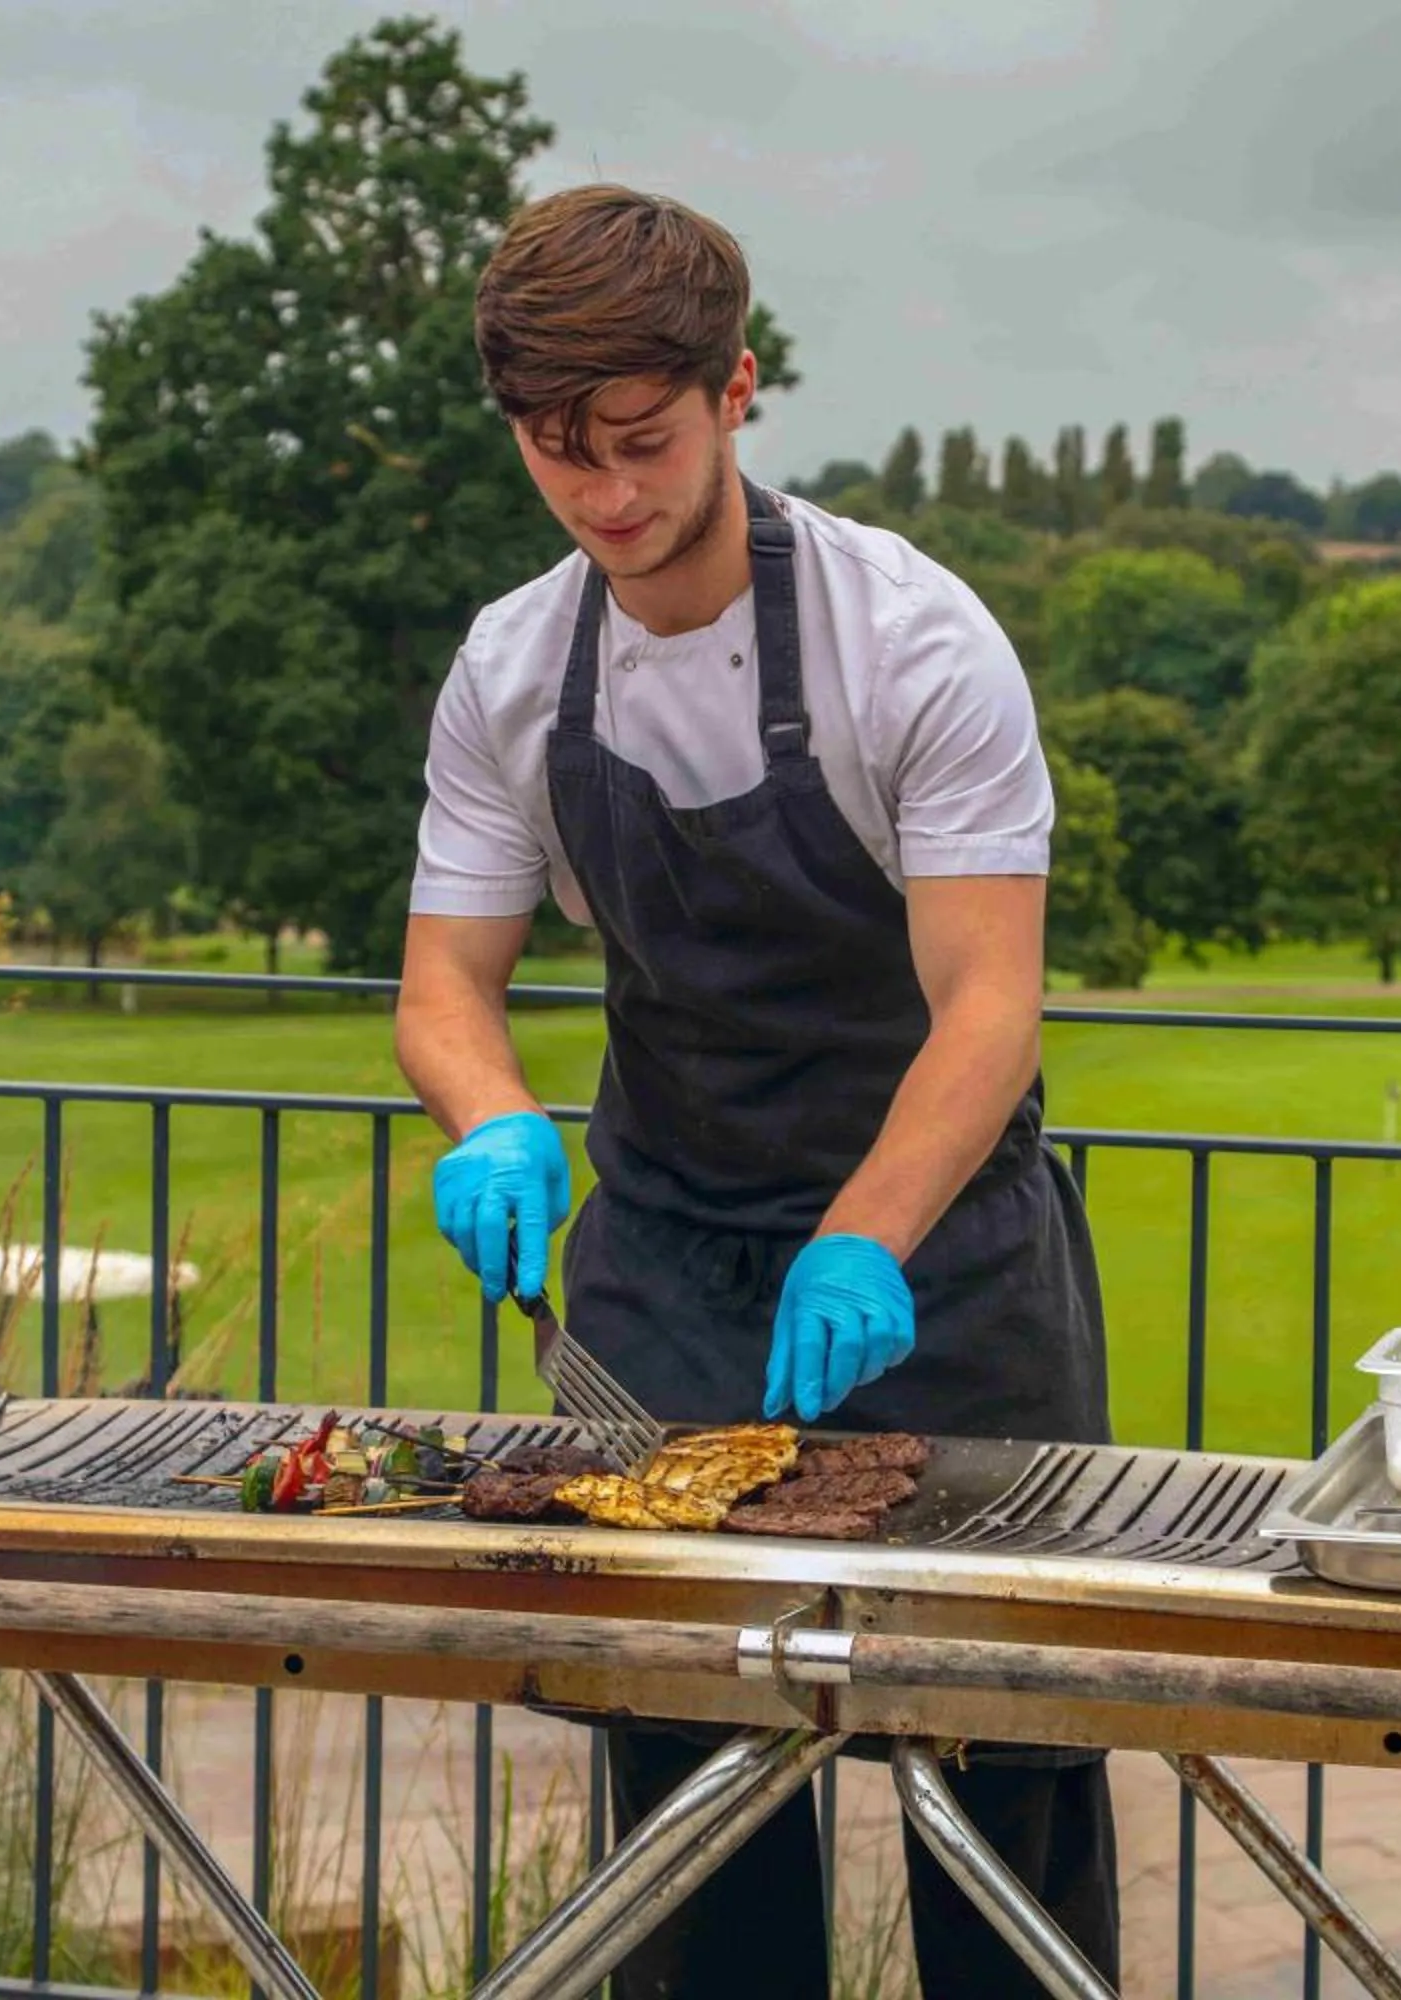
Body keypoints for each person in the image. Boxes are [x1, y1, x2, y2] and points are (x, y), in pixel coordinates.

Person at [393, 184, 1117, 1998]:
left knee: (998, 1770)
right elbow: (444, 989)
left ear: (738, 392)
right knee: (688, 1787)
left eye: (643, 444)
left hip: (940, 1270)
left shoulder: (916, 644)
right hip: (663, 1269)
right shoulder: (510, 670)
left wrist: (862, 1238)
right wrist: (490, 1117)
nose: (608, 498)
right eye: (561, 460)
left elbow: (988, 1007)